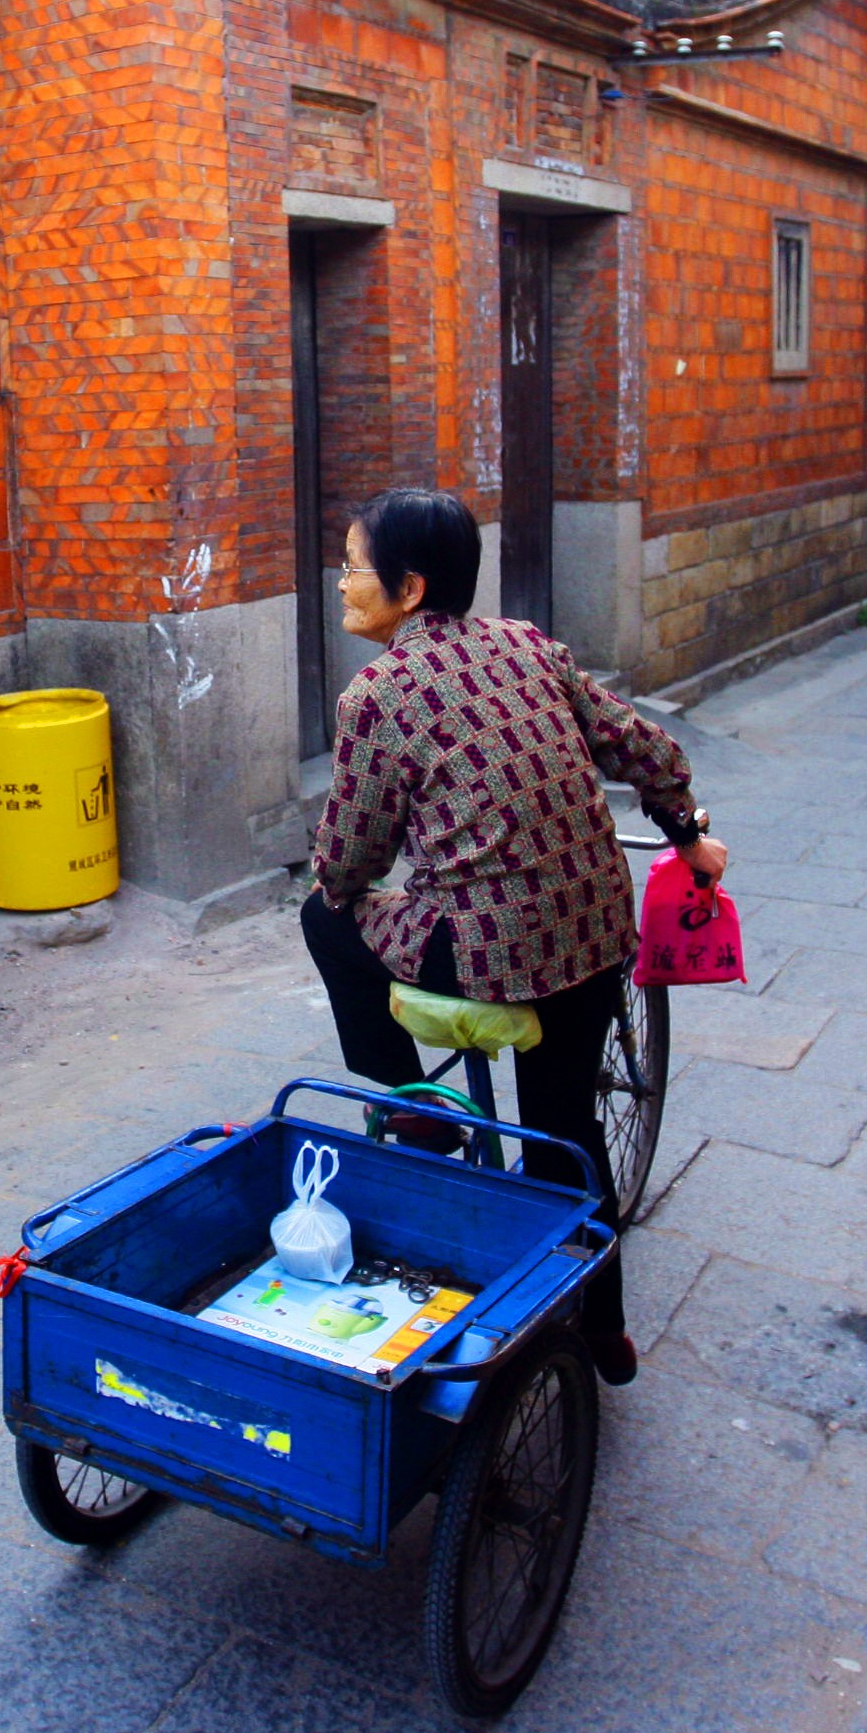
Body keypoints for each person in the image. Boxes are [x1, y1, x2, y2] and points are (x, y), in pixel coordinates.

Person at [299, 488, 728, 1389]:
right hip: (598, 926)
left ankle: (412, 1100)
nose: (340, 583)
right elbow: (644, 747)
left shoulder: (378, 695)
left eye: (351, 566)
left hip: (498, 949)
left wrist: (348, 881)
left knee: (323, 914)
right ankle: (605, 1337)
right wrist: (685, 833)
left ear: (409, 588)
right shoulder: (528, 643)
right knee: (565, 1126)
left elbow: (347, 863)